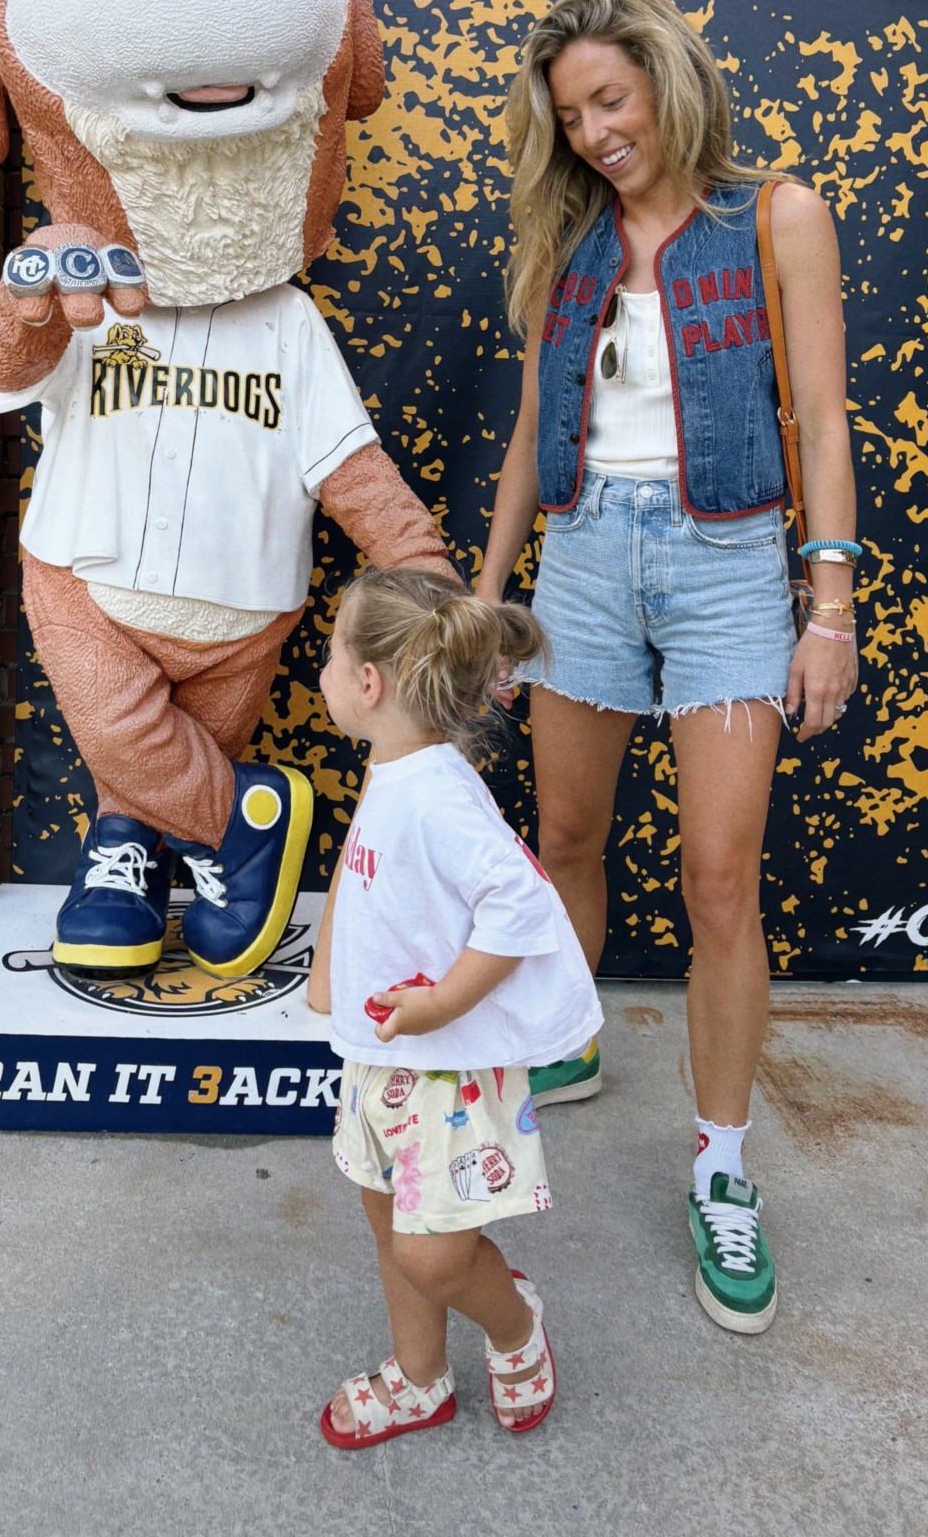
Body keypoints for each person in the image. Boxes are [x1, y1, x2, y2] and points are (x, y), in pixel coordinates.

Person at [476, 0, 860, 1335]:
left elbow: (818, 414)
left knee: (717, 881)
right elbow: (531, 437)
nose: (591, 133)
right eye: (571, 113)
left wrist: (830, 606)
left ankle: (723, 1166)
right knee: (567, 838)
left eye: (609, 101)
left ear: (667, 83)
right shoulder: (566, 240)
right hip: (582, 560)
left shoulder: (775, 217)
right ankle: (563, 1041)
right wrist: (488, 599)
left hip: (725, 571)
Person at [307, 568, 602, 1446]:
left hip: (443, 1068)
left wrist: (441, 1005)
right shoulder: (397, 771)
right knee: (389, 1215)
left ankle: (514, 1329)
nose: (322, 670)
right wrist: (328, 969)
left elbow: (519, 905)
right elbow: (364, 876)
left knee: (429, 1248)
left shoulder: (438, 794)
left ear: (370, 684)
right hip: (382, 1058)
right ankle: (419, 1380)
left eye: (330, 652)